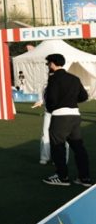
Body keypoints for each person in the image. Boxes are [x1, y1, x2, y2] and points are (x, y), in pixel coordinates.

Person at [42, 53, 91, 188]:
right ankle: (85, 177)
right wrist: (71, 100)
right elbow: (84, 96)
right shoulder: (74, 78)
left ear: (52, 63)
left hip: (60, 116)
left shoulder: (54, 78)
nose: (48, 66)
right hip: (75, 115)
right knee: (78, 147)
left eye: (48, 63)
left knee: (58, 146)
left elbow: (51, 99)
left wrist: (51, 108)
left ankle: (62, 176)